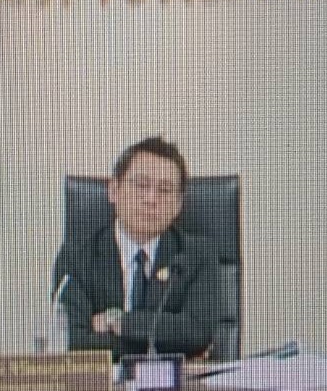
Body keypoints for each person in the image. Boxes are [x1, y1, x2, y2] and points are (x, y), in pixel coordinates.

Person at [52, 136, 222, 359]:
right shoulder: (76, 255)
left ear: (178, 205)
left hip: (173, 381)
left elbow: (198, 332)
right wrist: (168, 343)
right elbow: (73, 341)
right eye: (141, 185)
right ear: (114, 190)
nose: (151, 199)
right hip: (103, 381)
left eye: (164, 190)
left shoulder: (197, 255)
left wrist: (120, 322)